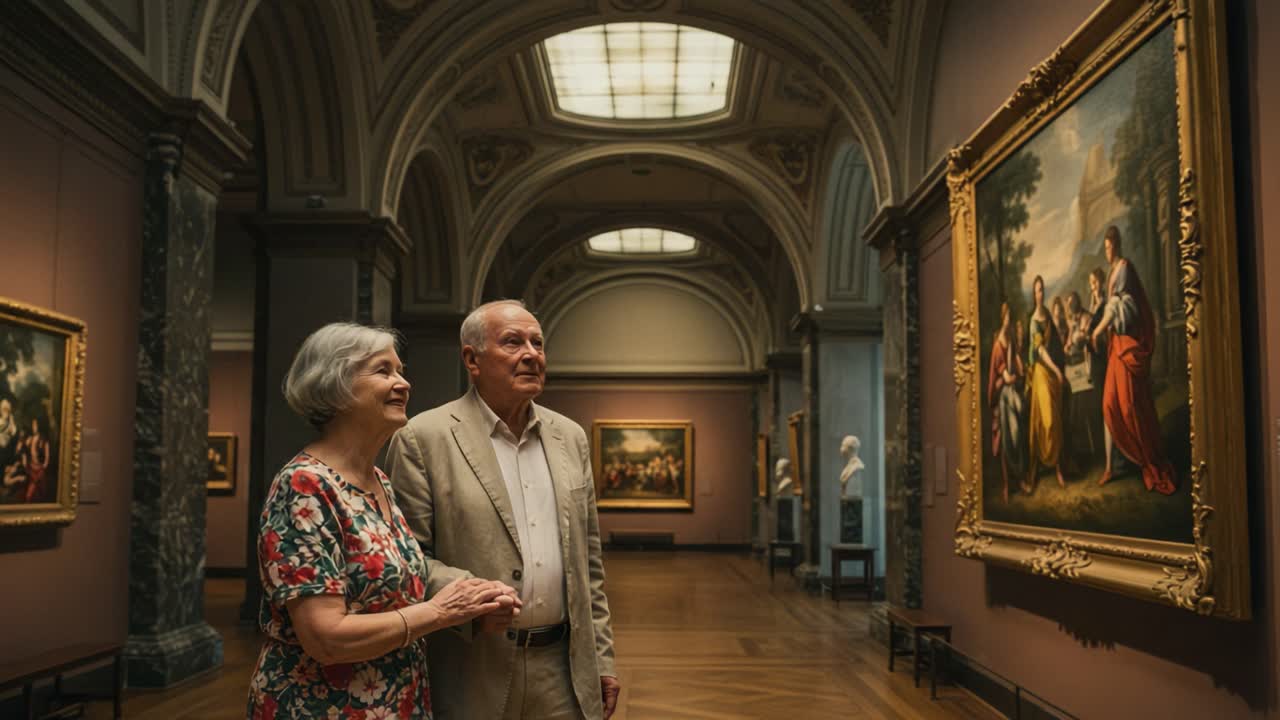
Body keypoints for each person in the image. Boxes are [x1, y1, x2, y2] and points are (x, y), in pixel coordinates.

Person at [247, 323, 521, 719]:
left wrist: (473, 599)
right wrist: (440, 613)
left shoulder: (379, 482)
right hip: (323, 707)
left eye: (400, 370)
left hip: (394, 701)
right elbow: (325, 639)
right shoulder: (305, 485)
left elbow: (399, 579)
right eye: (383, 371)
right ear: (335, 386)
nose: (404, 383)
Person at [386, 300, 619, 720]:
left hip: (563, 671)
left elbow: (589, 563)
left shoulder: (570, 437)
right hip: (474, 665)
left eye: (538, 343)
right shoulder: (423, 438)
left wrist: (601, 660)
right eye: (512, 342)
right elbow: (407, 559)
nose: (531, 354)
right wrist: (471, 596)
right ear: (472, 359)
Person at [1090, 226, 1176, 494]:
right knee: (1109, 404)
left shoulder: (1124, 268)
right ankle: (1117, 463)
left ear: (1117, 244)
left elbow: (1118, 308)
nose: (1108, 251)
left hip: (1126, 345)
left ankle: (1148, 459)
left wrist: (1097, 330)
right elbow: (1108, 307)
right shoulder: (1111, 276)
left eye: (1109, 246)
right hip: (1116, 347)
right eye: (1105, 247)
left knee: (1129, 406)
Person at [1025, 276, 1066, 492]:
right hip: (1042, 371)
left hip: (1051, 371)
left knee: (1056, 420)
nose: (1040, 294)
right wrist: (1056, 369)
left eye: (1042, 290)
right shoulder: (1033, 322)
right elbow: (1040, 351)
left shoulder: (1048, 315)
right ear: (1034, 294)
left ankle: (1058, 467)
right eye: (1037, 291)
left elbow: (1056, 342)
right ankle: (1036, 469)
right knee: (1046, 420)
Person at [988, 302, 1026, 501]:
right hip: (1002, 395)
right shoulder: (997, 344)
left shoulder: (1010, 339)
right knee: (1005, 440)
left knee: (1017, 434)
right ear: (1003, 317)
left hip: (1011, 391)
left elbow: (1017, 363)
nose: (1009, 319)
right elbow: (1000, 373)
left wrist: (1019, 369)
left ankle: (1020, 479)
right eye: (1007, 316)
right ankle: (1006, 485)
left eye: (1011, 315)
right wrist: (1006, 378)